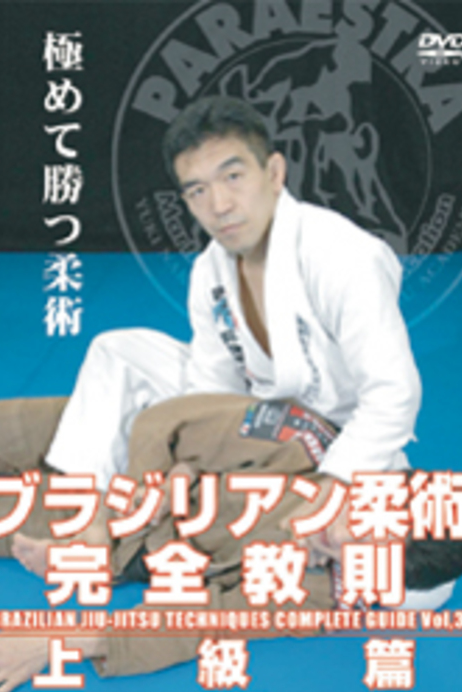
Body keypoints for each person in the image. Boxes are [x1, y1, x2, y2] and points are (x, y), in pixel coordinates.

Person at [0, 393, 462, 692]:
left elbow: (201, 620)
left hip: (105, 536)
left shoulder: (322, 590)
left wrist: (59, 642)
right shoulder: (312, 443)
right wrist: (134, 495)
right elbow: (166, 421)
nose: (341, 537)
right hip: (100, 440)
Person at [44, 95, 421, 499]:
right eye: (198, 191)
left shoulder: (343, 256)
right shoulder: (210, 270)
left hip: (338, 436)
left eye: (233, 177)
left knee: (295, 517)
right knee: (117, 352)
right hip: (260, 420)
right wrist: (187, 466)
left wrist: (335, 485)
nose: (219, 205)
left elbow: (393, 393)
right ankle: (85, 506)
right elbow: (212, 391)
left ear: (274, 173)